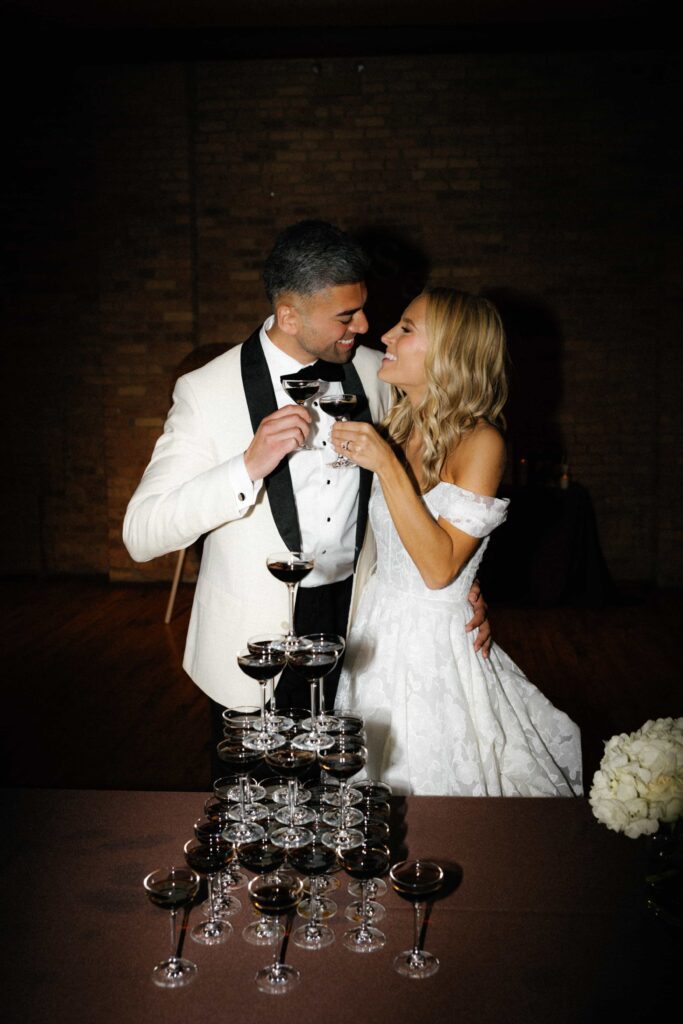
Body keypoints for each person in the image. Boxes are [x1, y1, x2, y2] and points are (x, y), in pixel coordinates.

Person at [122, 222, 491, 766]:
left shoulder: (378, 373)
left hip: (359, 628)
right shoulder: (206, 391)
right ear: (289, 314)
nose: (366, 326)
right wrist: (246, 466)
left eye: (363, 308)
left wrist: (461, 584)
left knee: (342, 807)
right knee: (252, 812)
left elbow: (438, 488)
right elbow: (140, 534)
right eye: (347, 316)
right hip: (254, 646)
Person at [333, 287, 583, 797]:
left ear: (450, 352)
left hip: (435, 647)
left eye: (406, 328)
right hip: (377, 629)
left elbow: (439, 568)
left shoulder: (482, 442)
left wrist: (384, 464)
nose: (385, 336)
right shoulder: (398, 425)